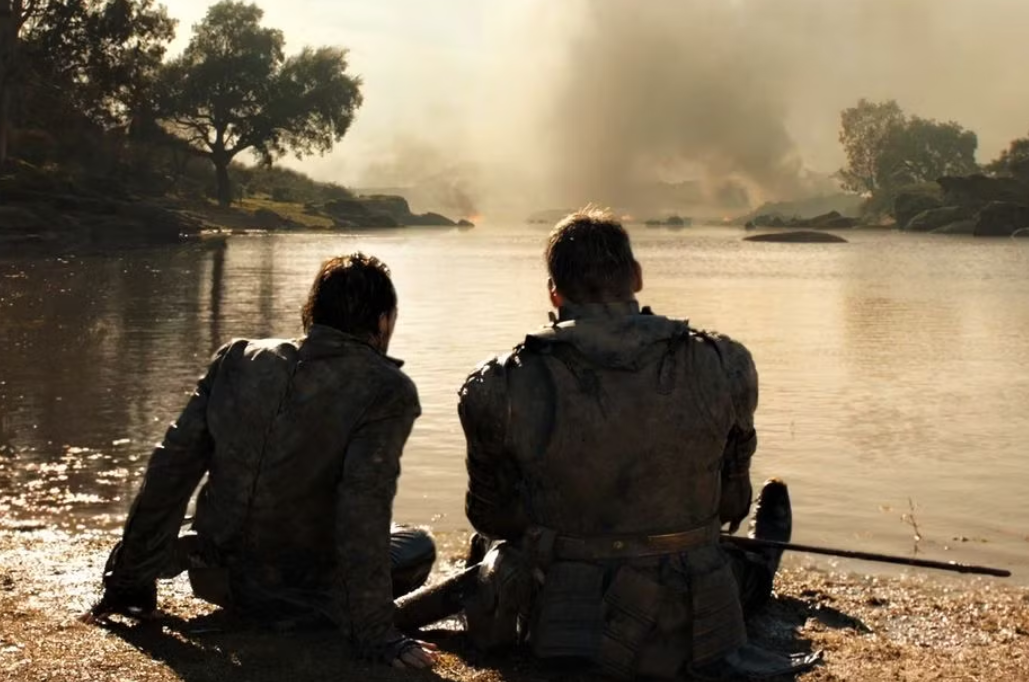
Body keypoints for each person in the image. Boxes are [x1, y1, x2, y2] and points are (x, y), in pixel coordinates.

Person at [396, 207, 819, 679]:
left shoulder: (495, 386)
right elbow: (731, 503)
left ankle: (759, 557)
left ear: (554, 293)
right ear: (636, 277)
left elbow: (491, 516)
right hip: (687, 616)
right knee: (745, 571)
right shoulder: (726, 362)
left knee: (491, 546)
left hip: (561, 615)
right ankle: (763, 556)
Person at [84, 252, 439, 670]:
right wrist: (378, 636)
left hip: (216, 576)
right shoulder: (384, 387)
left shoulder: (237, 357)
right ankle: (311, 608)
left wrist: (129, 583)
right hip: (294, 583)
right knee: (417, 544)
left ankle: (141, 570)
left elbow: (171, 469)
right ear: (382, 322)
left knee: (195, 522)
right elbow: (362, 510)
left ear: (313, 313)